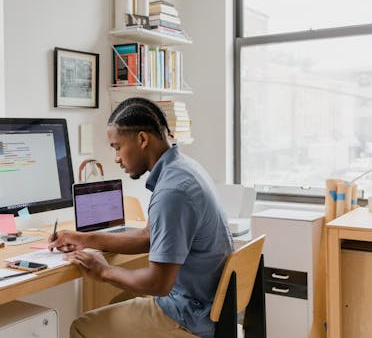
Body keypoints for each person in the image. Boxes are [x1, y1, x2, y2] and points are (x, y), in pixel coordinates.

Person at [49, 97, 234, 338]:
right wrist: (85, 239)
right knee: (119, 299)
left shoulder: (172, 192)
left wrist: (104, 271)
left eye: (117, 147)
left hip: (189, 315)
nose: (116, 158)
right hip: (207, 306)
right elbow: (148, 237)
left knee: (82, 327)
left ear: (142, 139)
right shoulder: (183, 168)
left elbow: (158, 284)